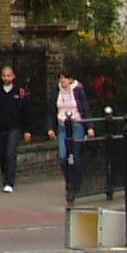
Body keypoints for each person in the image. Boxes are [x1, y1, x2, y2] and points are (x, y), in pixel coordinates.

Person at [0, 63, 34, 191]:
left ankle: (9, 182)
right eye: (4, 76)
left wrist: (27, 130)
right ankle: (6, 175)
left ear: (13, 76)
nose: (6, 78)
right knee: (1, 154)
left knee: (10, 153)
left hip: (14, 128)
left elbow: (26, 112)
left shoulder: (20, 93)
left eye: (8, 76)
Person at [50, 71, 96, 202]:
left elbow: (85, 108)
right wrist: (51, 128)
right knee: (63, 156)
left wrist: (90, 127)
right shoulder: (56, 91)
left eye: (65, 78)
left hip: (77, 125)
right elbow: (51, 110)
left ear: (71, 79)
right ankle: (69, 180)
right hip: (62, 126)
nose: (62, 81)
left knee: (75, 156)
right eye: (61, 79)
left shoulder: (78, 90)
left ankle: (76, 185)